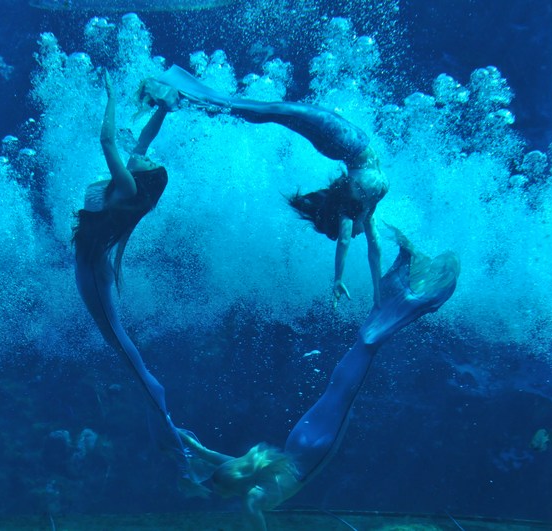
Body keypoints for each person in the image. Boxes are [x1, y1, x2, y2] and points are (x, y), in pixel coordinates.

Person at [176, 227, 460, 530]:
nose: (219, 495)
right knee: (340, 382)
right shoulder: (250, 473)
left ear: (237, 486)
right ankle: (400, 278)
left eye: (222, 492)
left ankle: (412, 298)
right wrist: (185, 439)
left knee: (357, 368)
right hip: (298, 440)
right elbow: (215, 459)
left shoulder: (253, 497)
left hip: (314, 449)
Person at [146, 65, 388, 309]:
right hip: (339, 139)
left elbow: (371, 247)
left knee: (265, 111)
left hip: (338, 138)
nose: (356, 234)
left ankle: (179, 92)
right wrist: (343, 281)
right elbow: (350, 241)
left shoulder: (362, 206)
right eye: (353, 232)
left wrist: (375, 297)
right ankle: (179, 91)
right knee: (264, 111)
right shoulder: (356, 206)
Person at [72, 69, 205, 494]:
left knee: (124, 349)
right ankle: (169, 428)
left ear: (144, 177)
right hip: (93, 267)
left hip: (93, 273)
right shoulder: (130, 181)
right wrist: (164, 108)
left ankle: (175, 444)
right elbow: (144, 139)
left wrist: (111, 96)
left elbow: (107, 141)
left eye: (147, 162)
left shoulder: (128, 188)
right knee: (123, 348)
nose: (144, 156)